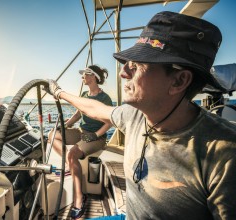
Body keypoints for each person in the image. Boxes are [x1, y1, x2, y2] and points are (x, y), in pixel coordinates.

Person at [46, 11, 236, 220]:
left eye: (136, 66)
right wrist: (59, 93)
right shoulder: (135, 115)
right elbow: (94, 109)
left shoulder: (225, 155)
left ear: (179, 81)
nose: (123, 73)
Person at [48, 65, 113, 219]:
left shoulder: (105, 98)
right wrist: (66, 125)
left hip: (97, 137)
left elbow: (109, 122)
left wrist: (96, 134)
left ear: (94, 77)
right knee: (52, 135)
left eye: (85, 74)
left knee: (73, 154)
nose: (82, 76)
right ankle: (68, 165)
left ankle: (79, 198)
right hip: (81, 132)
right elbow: (78, 114)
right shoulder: (84, 94)